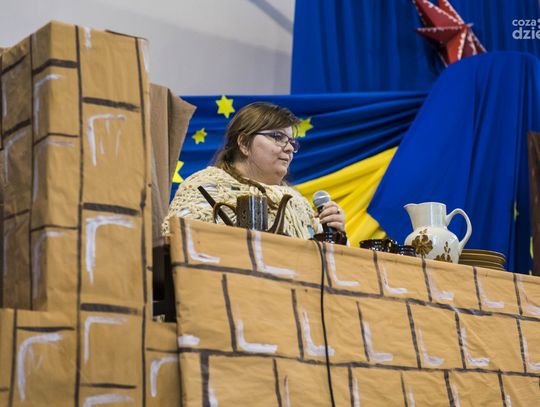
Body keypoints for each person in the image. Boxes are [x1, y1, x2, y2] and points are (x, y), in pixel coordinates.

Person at [162, 102, 346, 240]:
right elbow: (177, 244)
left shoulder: (298, 205)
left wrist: (338, 236)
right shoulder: (204, 188)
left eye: (291, 142)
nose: (289, 148)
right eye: (277, 137)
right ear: (243, 143)